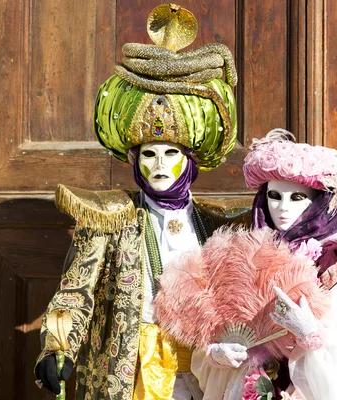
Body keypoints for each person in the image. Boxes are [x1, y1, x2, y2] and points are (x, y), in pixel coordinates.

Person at [33, 5, 248, 399]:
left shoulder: (215, 225)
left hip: (208, 370)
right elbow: (75, 291)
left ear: (189, 159)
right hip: (133, 371)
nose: (159, 165)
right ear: (135, 160)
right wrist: (58, 346)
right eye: (149, 154)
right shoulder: (110, 218)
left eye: (171, 153)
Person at [167, 129, 337, 399]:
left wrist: (312, 333)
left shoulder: (336, 264)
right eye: (274, 196)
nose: (282, 208)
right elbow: (215, 325)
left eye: (296, 197)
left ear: (319, 203)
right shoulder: (245, 256)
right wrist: (217, 353)